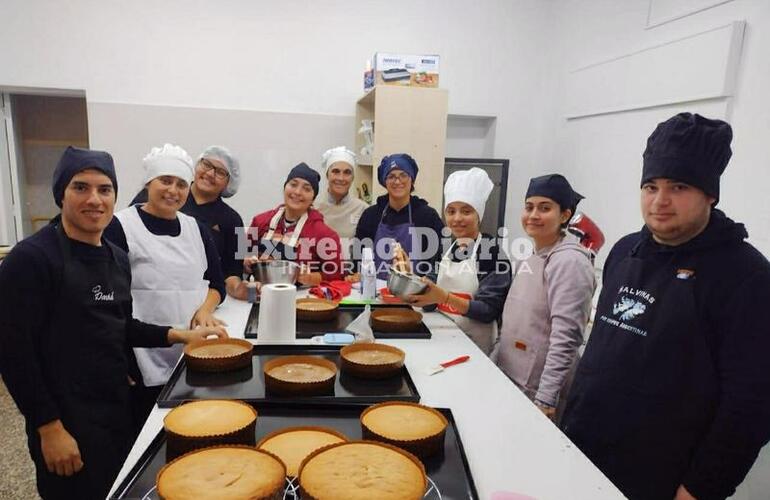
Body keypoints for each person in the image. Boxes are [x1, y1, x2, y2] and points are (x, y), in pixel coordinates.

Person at [561, 113, 770, 500]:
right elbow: (602, 352)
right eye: (650, 186)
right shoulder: (625, 251)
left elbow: (751, 405)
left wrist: (699, 488)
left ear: (710, 194)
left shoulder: (746, 276)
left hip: (661, 477)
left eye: (678, 187)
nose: (660, 201)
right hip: (583, 449)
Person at [0, 146, 226, 500]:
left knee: (119, 489)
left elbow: (119, 324)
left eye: (104, 190)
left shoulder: (115, 258)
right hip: (66, 414)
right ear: (61, 192)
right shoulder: (31, 260)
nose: (94, 199)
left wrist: (177, 335)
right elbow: (14, 354)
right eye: (81, 187)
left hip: (114, 403)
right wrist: (48, 427)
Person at [104, 144, 226, 432]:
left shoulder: (196, 228)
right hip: (140, 352)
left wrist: (206, 309)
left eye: (182, 184)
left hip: (192, 347)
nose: (174, 190)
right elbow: (109, 306)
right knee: (147, 433)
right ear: (149, 182)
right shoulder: (120, 226)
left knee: (192, 427)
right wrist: (118, 359)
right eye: (166, 181)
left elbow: (216, 282)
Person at [492, 174, 596, 422]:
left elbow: (566, 336)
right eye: (529, 207)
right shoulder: (530, 257)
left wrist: (546, 398)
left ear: (565, 215)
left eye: (545, 208)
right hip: (512, 376)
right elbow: (514, 323)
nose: (533, 215)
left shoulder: (569, 261)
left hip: (538, 390)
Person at [405, 168, 511, 354]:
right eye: (451, 211)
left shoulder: (491, 251)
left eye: (466, 211)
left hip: (476, 348)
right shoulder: (446, 248)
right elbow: (429, 301)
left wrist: (445, 298)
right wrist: (409, 276)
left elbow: (488, 311)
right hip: (442, 339)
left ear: (479, 215)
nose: (457, 219)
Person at [131, 146, 246, 299]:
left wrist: (246, 291)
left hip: (207, 299)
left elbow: (234, 272)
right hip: (144, 292)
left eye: (220, 172)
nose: (210, 173)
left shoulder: (235, 220)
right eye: (206, 164)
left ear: (229, 182)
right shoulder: (156, 197)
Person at [247, 162, 343, 284]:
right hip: (260, 294)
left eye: (306, 189)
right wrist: (247, 262)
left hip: (302, 298)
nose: (297, 192)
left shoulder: (325, 235)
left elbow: (337, 274)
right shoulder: (260, 222)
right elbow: (242, 258)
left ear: (313, 199)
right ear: (284, 187)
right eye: (293, 184)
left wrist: (309, 278)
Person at [354, 153, 444, 278]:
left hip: (416, 291)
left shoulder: (427, 216)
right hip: (375, 290)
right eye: (391, 176)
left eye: (403, 175)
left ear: (411, 179)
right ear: (385, 181)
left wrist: (427, 280)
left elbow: (441, 257)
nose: (397, 181)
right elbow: (358, 255)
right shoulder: (371, 215)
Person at [314, 146, 368, 243]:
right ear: (327, 175)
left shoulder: (364, 209)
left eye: (347, 172)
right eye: (336, 172)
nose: (341, 178)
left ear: (353, 177)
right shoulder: (313, 207)